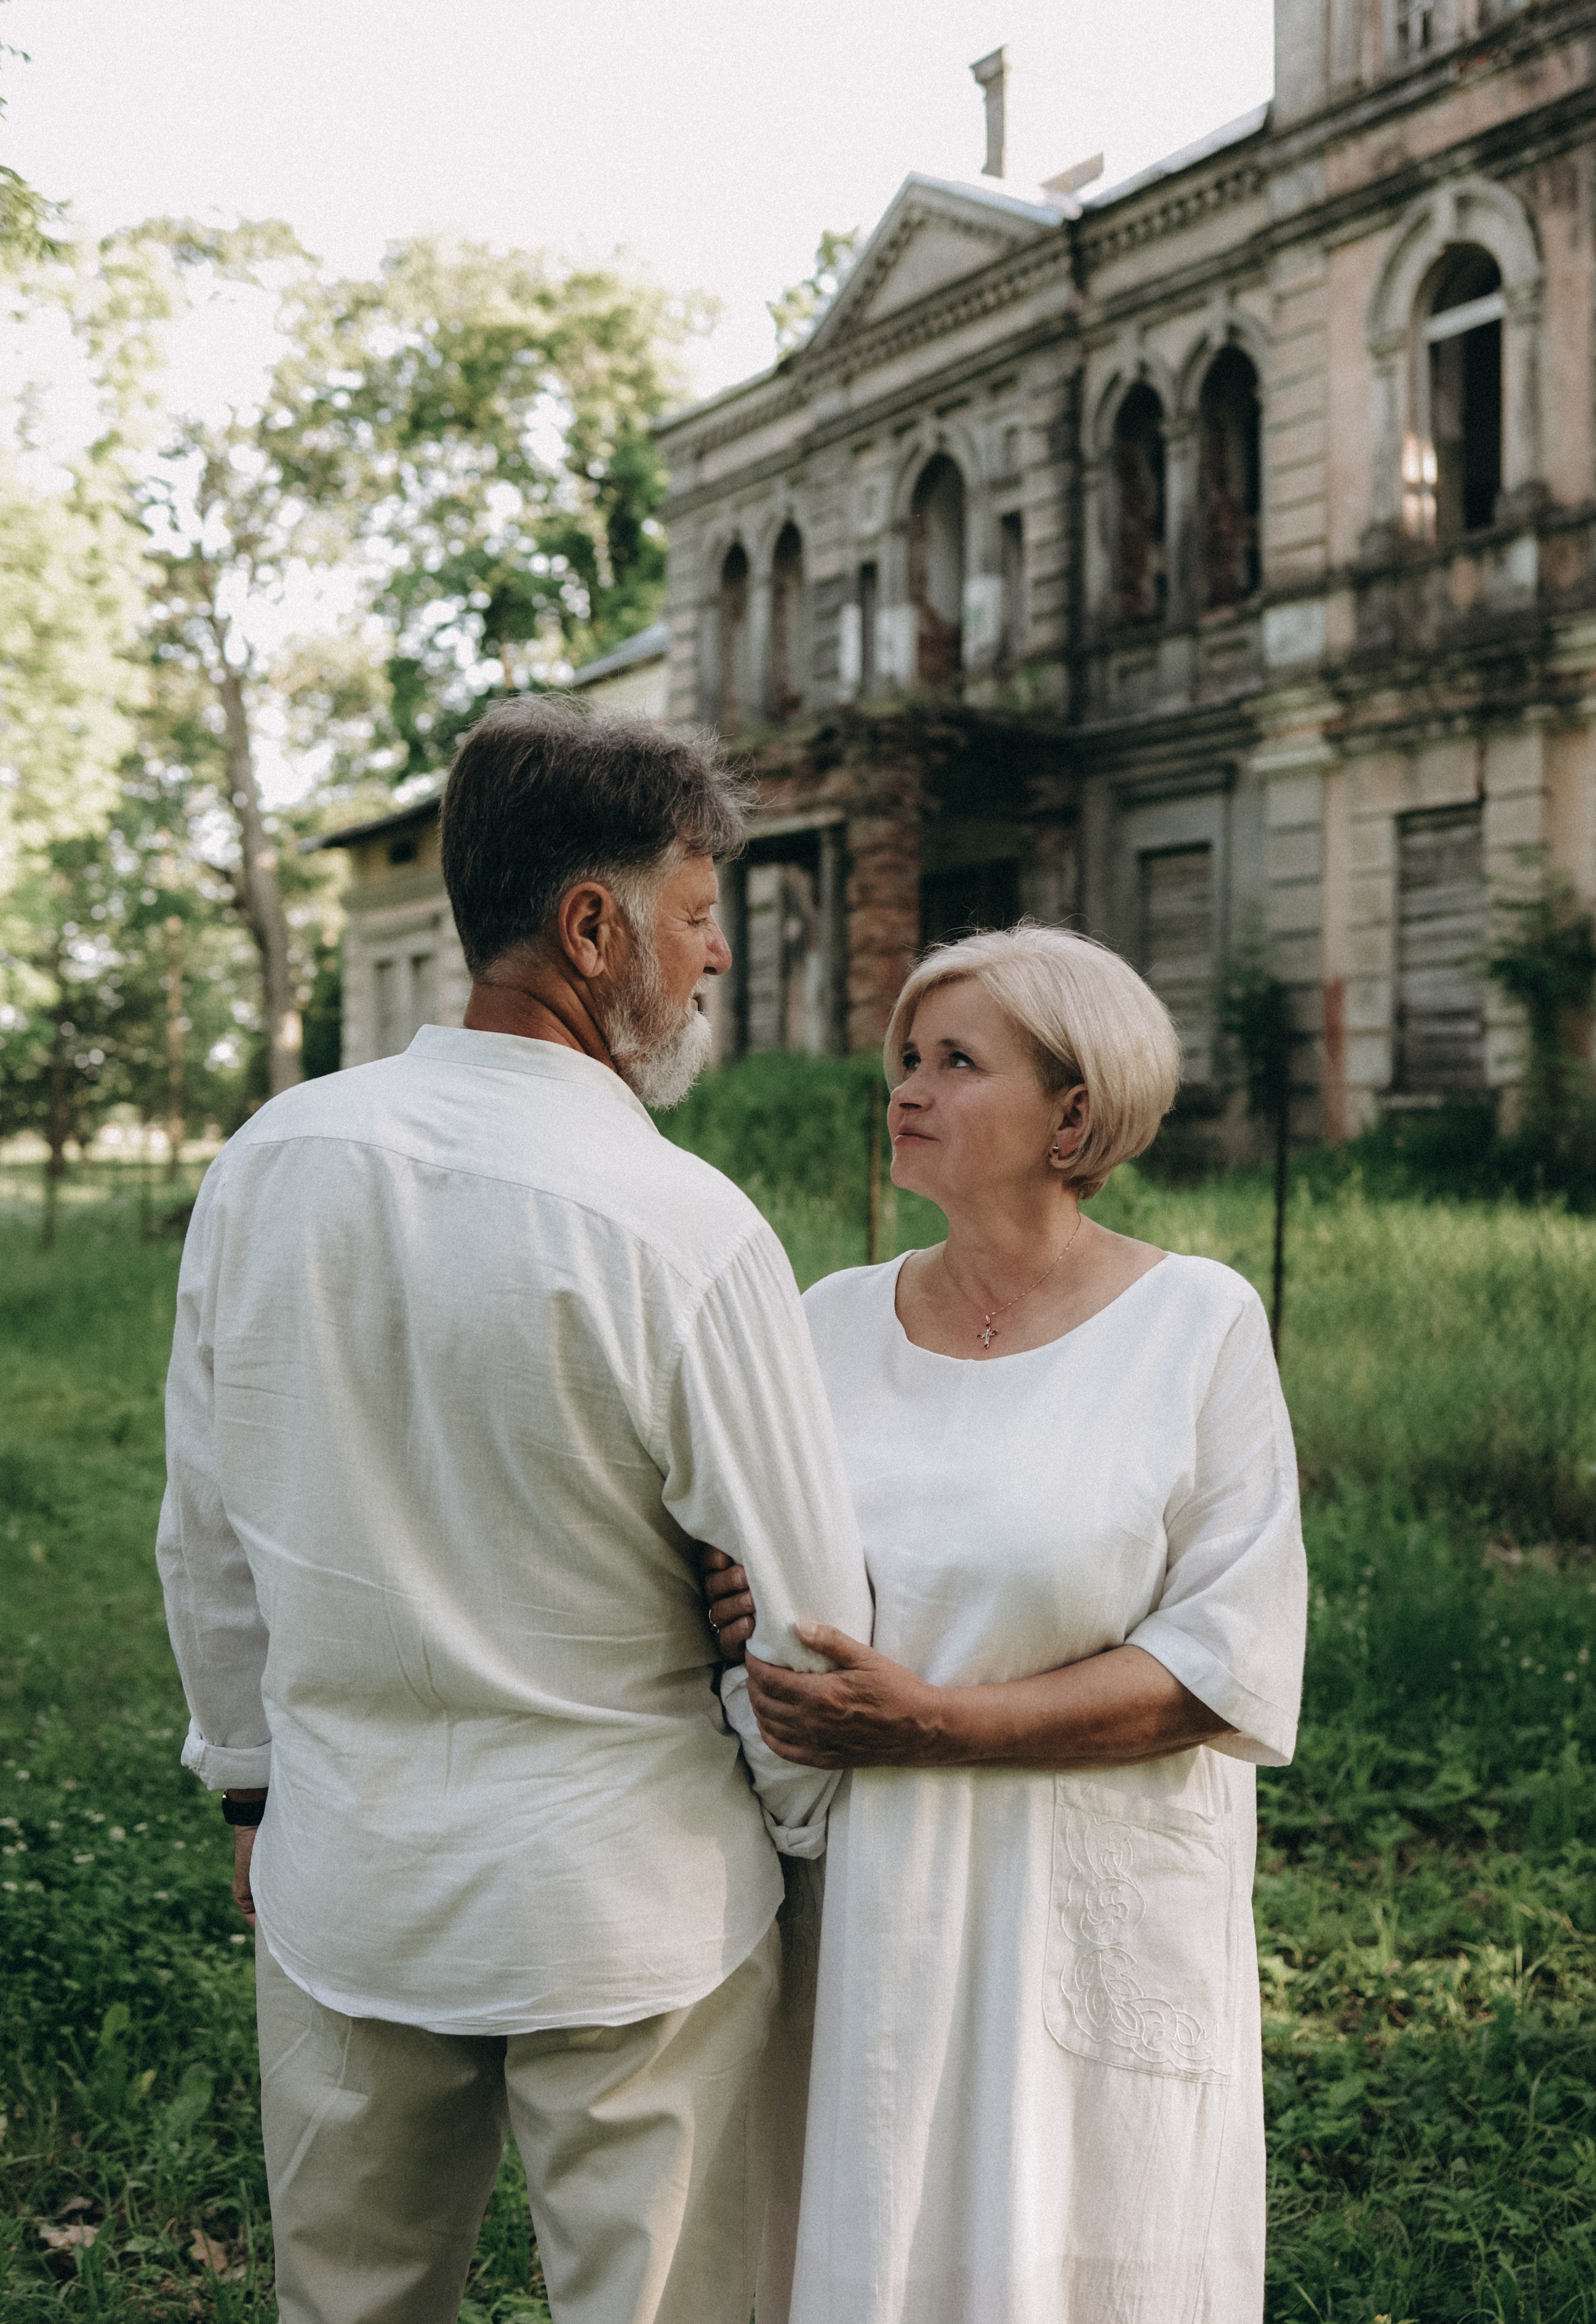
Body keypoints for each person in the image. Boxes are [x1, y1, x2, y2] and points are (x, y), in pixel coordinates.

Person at [156, 700, 872, 2324]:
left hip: (350, 1873)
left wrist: (252, 1791)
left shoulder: (270, 1164)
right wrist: (798, 1832)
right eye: (699, 920)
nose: (715, 965)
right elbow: (811, 1615)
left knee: (348, 2304)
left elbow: (204, 1539)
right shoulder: (680, 1226)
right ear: (592, 925)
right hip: (634, 1909)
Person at [705, 925, 1307, 2324]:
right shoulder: (826, 1321)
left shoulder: (1193, 1325)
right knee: (866, 2237)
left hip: (1084, 1889)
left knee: (1084, 2249)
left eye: (955, 1062)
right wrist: (728, 1598)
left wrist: (933, 1724)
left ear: (1074, 1113)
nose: (905, 1089)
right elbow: (745, 1569)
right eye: (904, 1060)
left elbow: (1224, 1664)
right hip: (865, 1906)